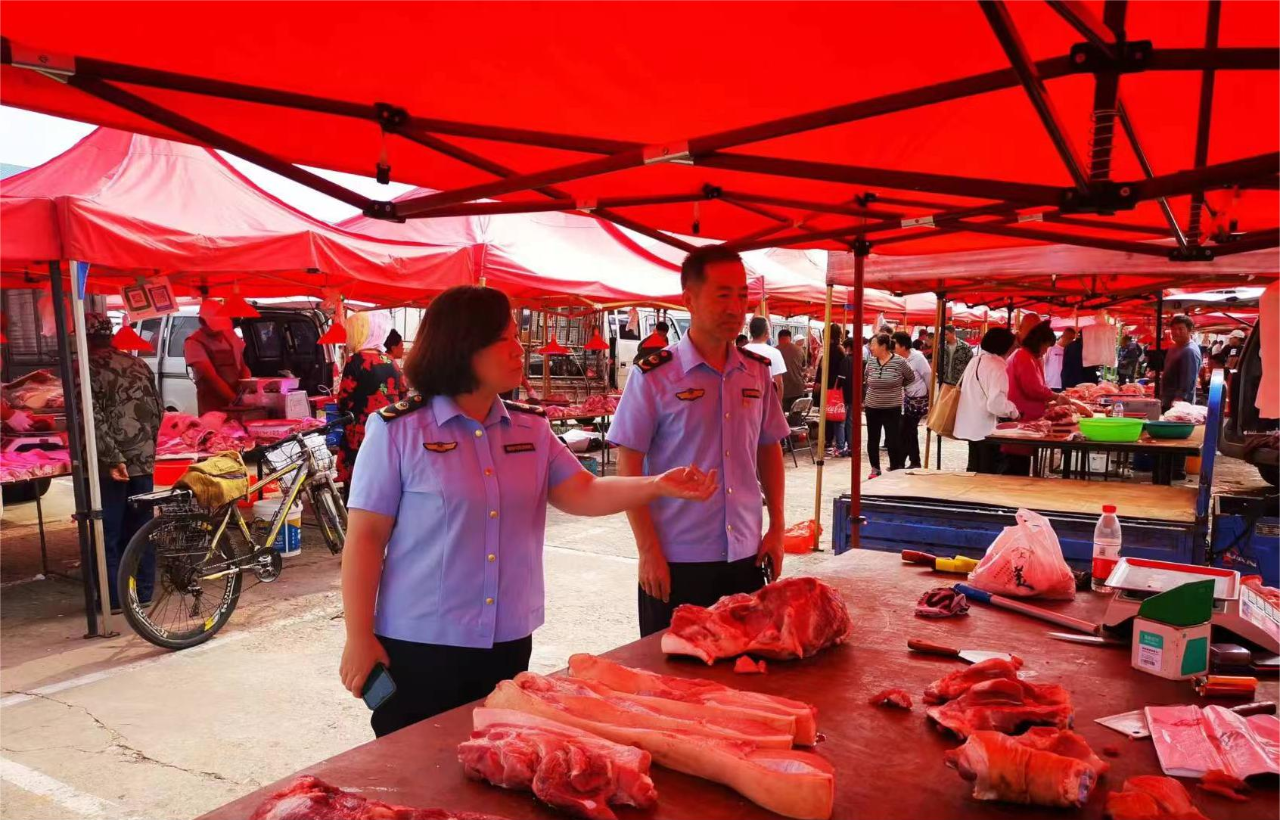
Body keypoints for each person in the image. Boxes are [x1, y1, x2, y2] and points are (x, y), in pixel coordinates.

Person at [339, 286, 717, 737]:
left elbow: (583, 490)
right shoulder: (398, 431)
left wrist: (655, 485)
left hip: (508, 637)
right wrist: (359, 636)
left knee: (493, 762)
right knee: (417, 772)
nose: (522, 349)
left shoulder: (530, 427)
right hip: (421, 644)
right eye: (507, 339)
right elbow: (365, 539)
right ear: (464, 346)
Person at [608, 246, 789, 638]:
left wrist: (776, 526)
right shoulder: (655, 375)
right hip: (676, 561)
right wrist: (647, 550)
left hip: (745, 555)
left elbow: (768, 447)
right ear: (688, 299)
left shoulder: (756, 373)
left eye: (742, 295)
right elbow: (629, 465)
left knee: (745, 682)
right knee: (672, 683)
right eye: (723, 294)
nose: (736, 307)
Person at [82, 313, 163, 612]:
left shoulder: (88, 367)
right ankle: (142, 593)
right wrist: (144, 448)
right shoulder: (138, 364)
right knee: (141, 528)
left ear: (84, 338)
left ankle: (114, 599)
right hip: (142, 460)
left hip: (109, 466)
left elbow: (91, 418)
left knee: (109, 532)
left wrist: (113, 457)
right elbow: (156, 410)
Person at [336, 311, 407, 500]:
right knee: (382, 478)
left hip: (360, 432)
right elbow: (403, 394)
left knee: (358, 482)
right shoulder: (390, 361)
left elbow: (344, 400)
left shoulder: (356, 361)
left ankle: (355, 520)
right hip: (389, 430)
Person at [1003, 322, 1068, 476]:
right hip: (1021, 418)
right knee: (1016, 466)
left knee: (1021, 463)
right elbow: (1032, 388)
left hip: (1027, 417)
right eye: (1046, 346)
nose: (1046, 351)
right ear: (1038, 342)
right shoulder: (1023, 356)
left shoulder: (1029, 357)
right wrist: (1055, 396)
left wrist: (1049, 400)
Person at [954, 328, 1020, 474]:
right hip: (986, 429)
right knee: (987, 472)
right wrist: (1014, 412)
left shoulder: (975, 360)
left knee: (974, 469)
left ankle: (970, 496)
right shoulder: (997, 366)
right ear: (1005, 346)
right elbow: (995, 404)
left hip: (970, 425)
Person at [863, 332, 914, 478]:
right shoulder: (871, 362)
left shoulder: (899, 362)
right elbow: (867, 379)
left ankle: (895, 467)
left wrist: (896, 385)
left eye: (873, 344)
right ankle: (875, 468)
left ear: (883, 346)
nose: (871, 347)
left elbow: (910, 377)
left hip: (892, 406)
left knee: (893, 439)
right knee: (873, 438)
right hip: (872, 406)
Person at [184, 308, 251, 414]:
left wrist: (247, 389)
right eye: (215, 328)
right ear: (202, 322)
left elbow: (242, 366)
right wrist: (234, 400)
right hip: (212, 406)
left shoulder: (230, 335)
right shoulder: (193, 342)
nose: (219, 331)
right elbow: (211, 377)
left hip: (236, 398)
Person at [893, 331, 931, 470]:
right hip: (906, 399)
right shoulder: (898, 358)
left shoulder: (918, 358)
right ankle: (908, 461)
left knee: (907, 429)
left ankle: (906, 462)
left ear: (903, 346)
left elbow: (928, 377)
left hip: (918, 400)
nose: (893, 346)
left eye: (895, 343)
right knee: (907, 430)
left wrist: (932, 399)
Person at [1161, 314, 1203, 410]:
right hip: (1168, 399)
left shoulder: (1189, 350)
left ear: (1189, 330)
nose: (1176, 332)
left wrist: (1179, 398)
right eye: (1173, 329)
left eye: (1180, 329)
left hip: (1179, 404)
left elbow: (1188, 380)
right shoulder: (1173, 347)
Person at [743, 316, 786, 400]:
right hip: (767, 401)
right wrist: (778, 406)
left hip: (745, 401)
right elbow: (779, 384)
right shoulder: (774, 353)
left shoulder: (741, 351)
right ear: (767, 332)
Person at [832, 338, 855, 457]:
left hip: (844, 395)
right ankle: (851, 447)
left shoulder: (846, 360)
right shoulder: (861, 360)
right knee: (850, 422)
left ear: (848, 347)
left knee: (840, 421)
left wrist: (836, 389)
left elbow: (841, 378)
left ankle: (840, 447)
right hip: (854, 396)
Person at [776, 329, 807, 413]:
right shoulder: (800, 350)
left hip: (781, 390)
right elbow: (804, 369)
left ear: (778, 338)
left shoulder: (774, 351)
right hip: (797, 389)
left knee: (782, 419)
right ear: (790, 338)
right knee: (795, 419)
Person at [1044, 327, 1076, 391]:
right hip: (1052, 384)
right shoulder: (1050, 348)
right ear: (1062, 336)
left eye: (1072, 339)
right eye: (1069, 338)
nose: (1071, 341)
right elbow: (1042, 363)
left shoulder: (1070, 351)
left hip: (1065, 384)